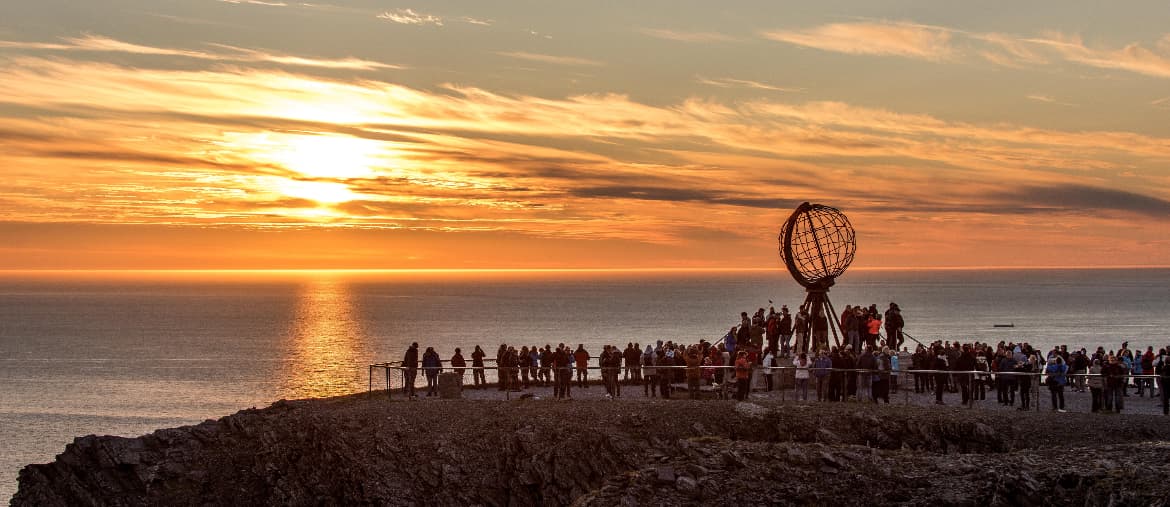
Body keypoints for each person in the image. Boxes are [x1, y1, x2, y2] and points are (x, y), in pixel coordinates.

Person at [1156, 348, 1170, 415]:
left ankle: (1166, 412)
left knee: (1165, 397)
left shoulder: (1164, 368)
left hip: (1165, 383)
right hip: (1166, 383)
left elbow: (1162, 376)